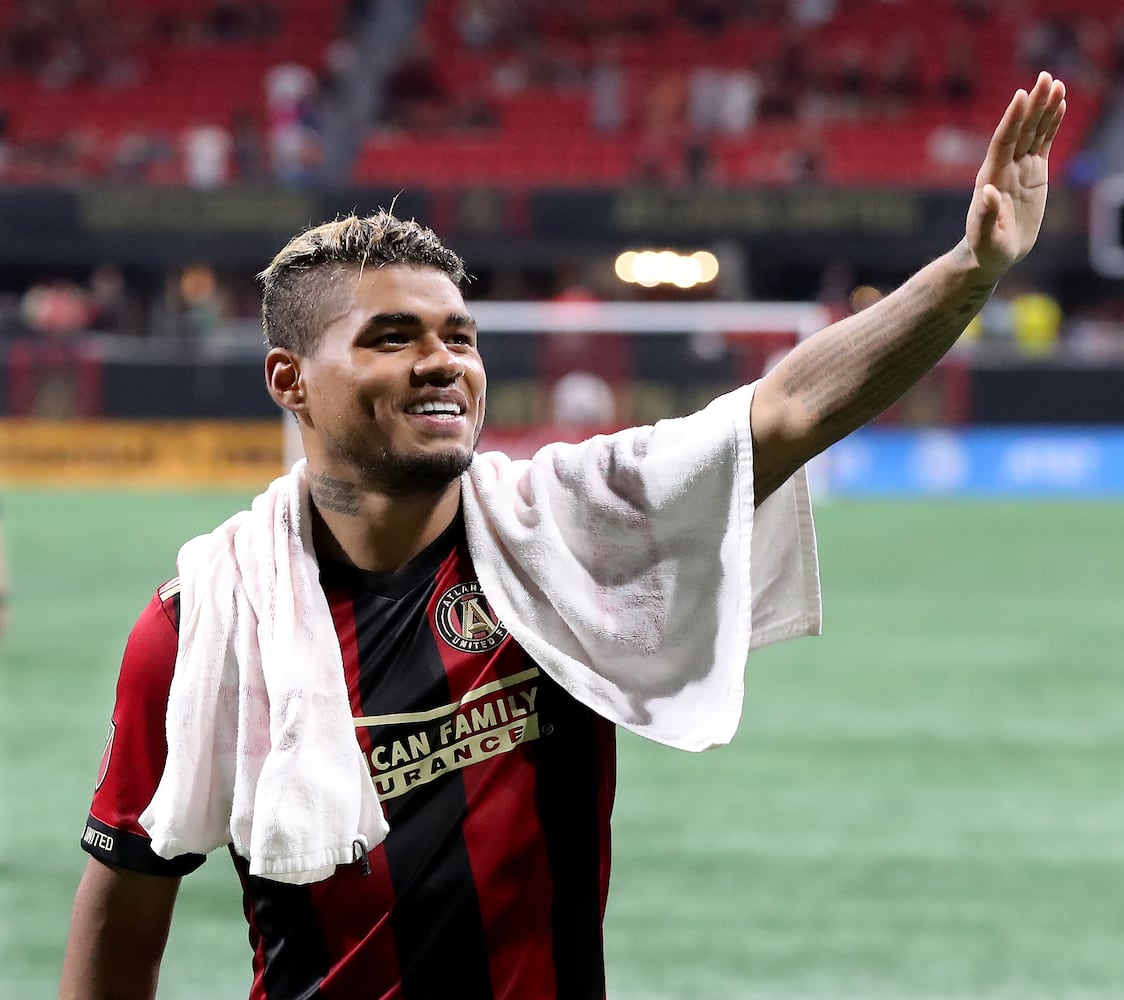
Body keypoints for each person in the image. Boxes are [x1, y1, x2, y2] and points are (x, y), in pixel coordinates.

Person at [60, 73, 1066, 1000]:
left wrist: (969, 272)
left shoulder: (566, 528)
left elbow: (790, 407)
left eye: (458, 335)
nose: (442, 361)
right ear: (289, 382)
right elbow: (123, 915)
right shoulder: (207, 621)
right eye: (391, 337)